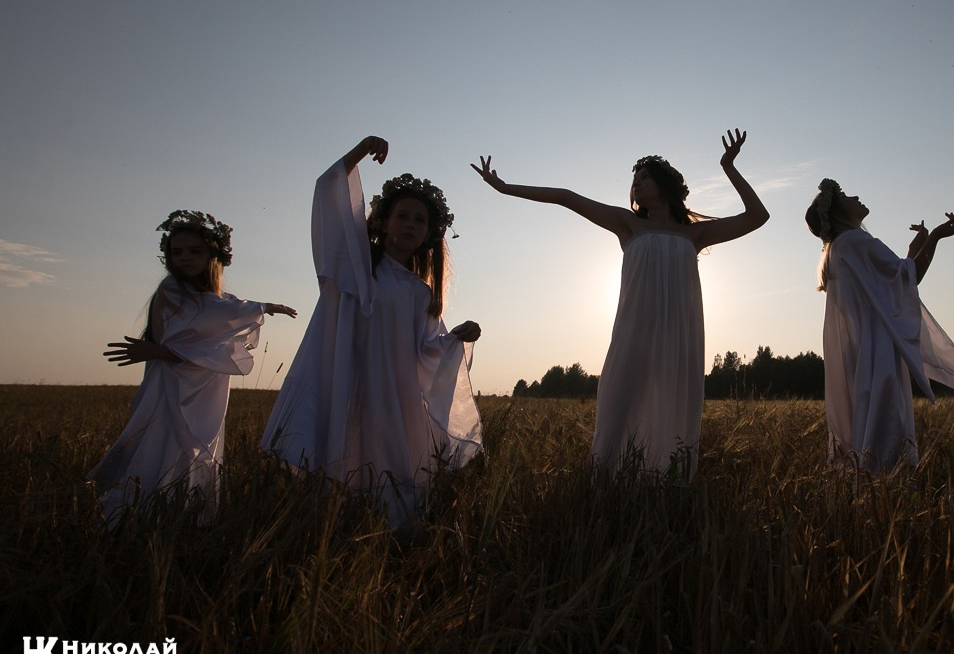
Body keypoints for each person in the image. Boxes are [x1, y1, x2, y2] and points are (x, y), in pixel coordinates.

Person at [472, 129, 768, 477]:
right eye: (635, 179)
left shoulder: (694, 234)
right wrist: (505, 188)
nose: (637, 184)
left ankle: (666, 480)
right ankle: (607, 480)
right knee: (621, 402)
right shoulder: (627, 224)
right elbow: (565, 197)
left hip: (679, 337)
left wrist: (728, 167)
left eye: (645, 177)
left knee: (673, 404)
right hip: (634, 331)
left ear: (665, 184)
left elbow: (757, 216)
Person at [262, 136, 483, 526]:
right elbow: (328, 190)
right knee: (345, 452)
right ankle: (339, 526)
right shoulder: (355, 269)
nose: (410, 225)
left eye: (419, 220)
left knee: (394, 463)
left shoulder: (420, 291)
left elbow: (427, 349)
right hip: (350, 382)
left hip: (396, 397)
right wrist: (361, 151)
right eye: (403, 216)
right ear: (383, 221)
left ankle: (393, 533)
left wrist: (455, 339)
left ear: (430, 233)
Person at [92, 210, 296, 524]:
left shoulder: (214, 297)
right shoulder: (173, 290)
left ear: (212, 256)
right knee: (164, 443)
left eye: (194, 251)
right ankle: (138, 518)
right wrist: (264, 307)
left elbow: (220, 311)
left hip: (203, 387)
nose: (184, 258)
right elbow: (212, 317)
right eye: (177, 252)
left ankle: (187, 518)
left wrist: (259, 307)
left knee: (197, 448)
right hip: (171, 385)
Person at [805, 178, 954, 474]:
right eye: (845, 195)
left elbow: (889, 285)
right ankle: (885, 486)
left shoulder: (839, 248)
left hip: (861, 349)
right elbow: (909, 279)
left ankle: (868, 488)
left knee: (868, 416)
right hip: (876, 349)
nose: (854, 196)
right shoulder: (856, 241)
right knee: (885, 419)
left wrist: (913, 249)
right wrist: (936, 238)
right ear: (838, 212)